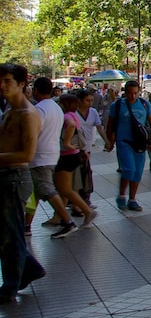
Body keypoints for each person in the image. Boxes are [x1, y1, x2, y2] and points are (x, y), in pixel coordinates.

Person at [0, 64, 46, 302]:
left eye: (7, 81)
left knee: (11, 234)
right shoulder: (10, 111)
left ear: (21, 84)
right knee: (7, 232)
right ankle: (28, 269)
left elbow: (26, 155)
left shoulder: (28, 114)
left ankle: (10, 285)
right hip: (6, 177)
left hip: (15, 178)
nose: (2, 86)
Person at [29, 77, 80, 237]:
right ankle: (26, 224)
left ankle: (67, 221)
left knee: (46, 189)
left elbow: (34, 131)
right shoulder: (56, 107)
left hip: (40, 155)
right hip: (51, 153)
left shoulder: (40, 109)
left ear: (36, 90)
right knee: (37, 191)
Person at [105, 80, 151, 212]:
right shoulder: (117, 105)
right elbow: (110, 124)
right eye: (130, 93)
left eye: (135, 93)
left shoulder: (144, 104)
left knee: (137, 172)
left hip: (140, 142)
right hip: (124, 141)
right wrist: (109, 141)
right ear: (125, 93)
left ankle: (132, 199)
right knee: (129, 169)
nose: (133, 96)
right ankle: (122, 194)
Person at [54, 94, 98, 229]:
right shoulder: (73, 114)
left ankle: (86, 210)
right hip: (74, 154)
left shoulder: (67, 116)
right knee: (66, 188)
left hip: (67, 155)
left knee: (64, 189)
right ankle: (62, 215)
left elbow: (72, 126)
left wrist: (66, 142)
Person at [73, 89, 106, 211]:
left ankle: (85, 199)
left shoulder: (93, 112)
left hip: (87, 147)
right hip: (75, 148)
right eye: (87, 100)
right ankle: (76, 201)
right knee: (77, 174)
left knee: (86, 173)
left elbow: (99, 127)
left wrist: (106, 141)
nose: (90, 103)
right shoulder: (74, 113)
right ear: (80, 100)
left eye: (91, 100)